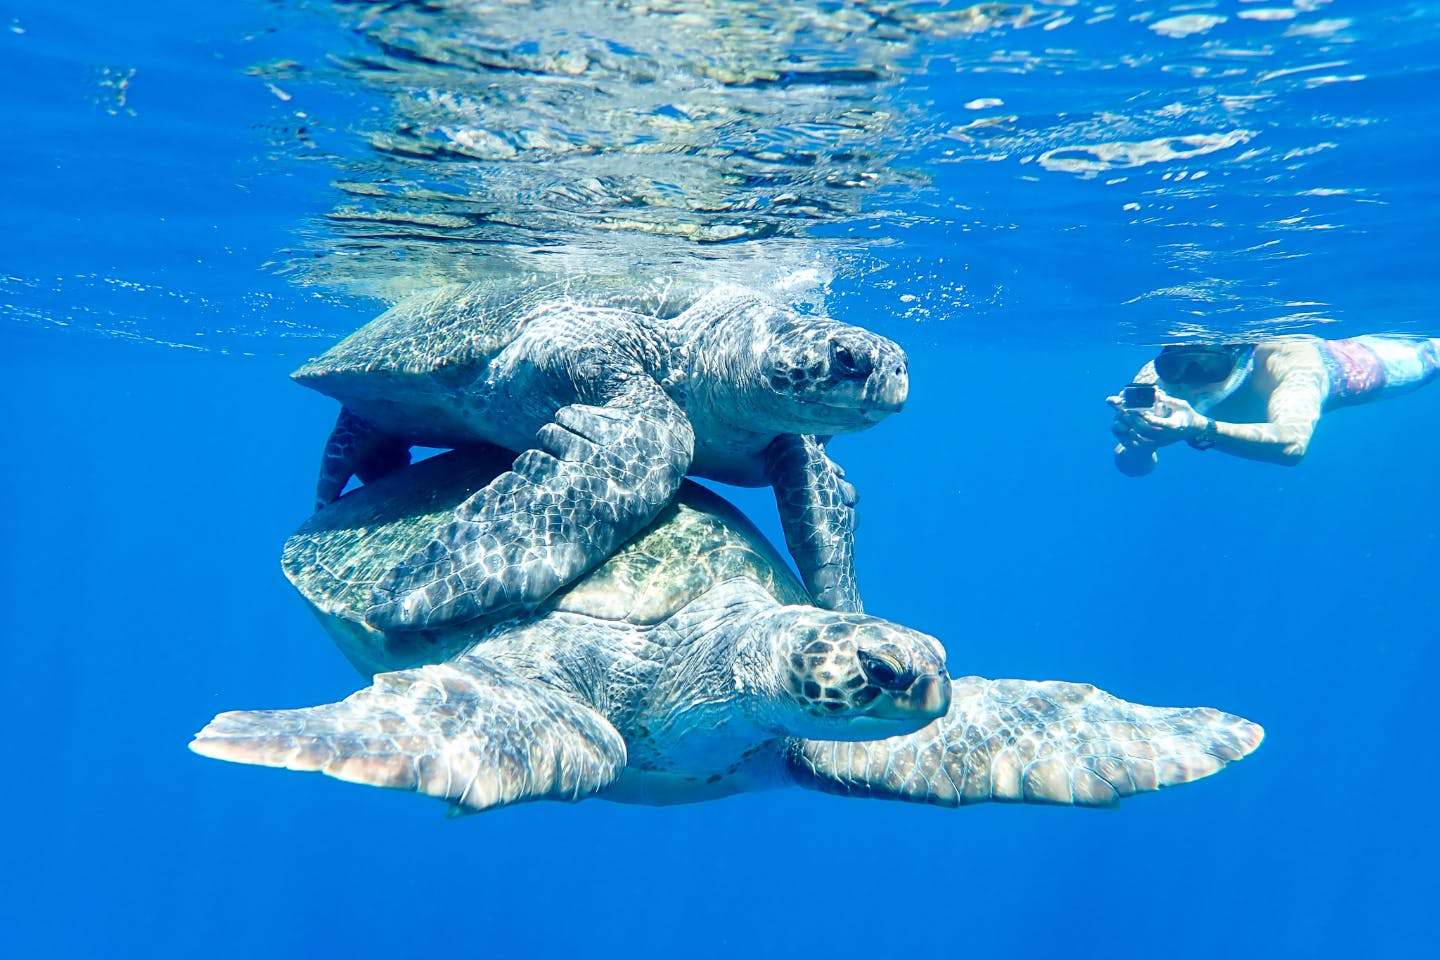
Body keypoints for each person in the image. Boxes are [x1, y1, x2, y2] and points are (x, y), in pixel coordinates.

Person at [1107, 335, 1440, 476]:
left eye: (1205, 367)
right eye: (1175, 367)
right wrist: (1138, 444)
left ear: (1241, 356)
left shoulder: (1290, 360)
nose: (1186, 382)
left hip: (1354, 366)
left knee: (1431, 356)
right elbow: (1133, 467)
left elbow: (1292, 445)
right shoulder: (1157, 379)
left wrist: (1201, 427)